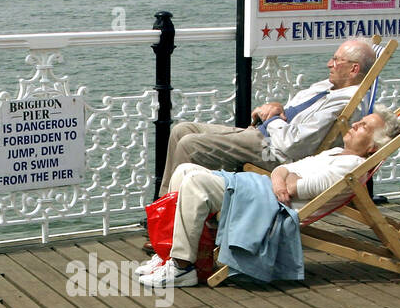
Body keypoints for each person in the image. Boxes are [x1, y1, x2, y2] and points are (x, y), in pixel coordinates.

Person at [137, 105, 400, 288]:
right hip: (264, 190)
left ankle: (182, 266)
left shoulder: (348, 168)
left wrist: (284, 177)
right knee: (184, 170)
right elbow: (284, 170)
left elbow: (299, 187)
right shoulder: (334, 154)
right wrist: (282, 175)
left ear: (372, 147)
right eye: (361, 121)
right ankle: (167, 253)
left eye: (364, 127)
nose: (356, 123)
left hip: (270, 205)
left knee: (195, 181)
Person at [157, 38, 376, 196]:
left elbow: (293, 144)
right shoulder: (328, 86)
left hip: (275, 152)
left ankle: (173, 228)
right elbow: (289, 110)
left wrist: (272, 119)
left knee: (189, 145)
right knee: (181, 130)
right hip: (267, 135)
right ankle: (163, 211)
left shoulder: (345, 103)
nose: (330, 64)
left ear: (354, 69)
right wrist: (277, 108)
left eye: (337, 60)